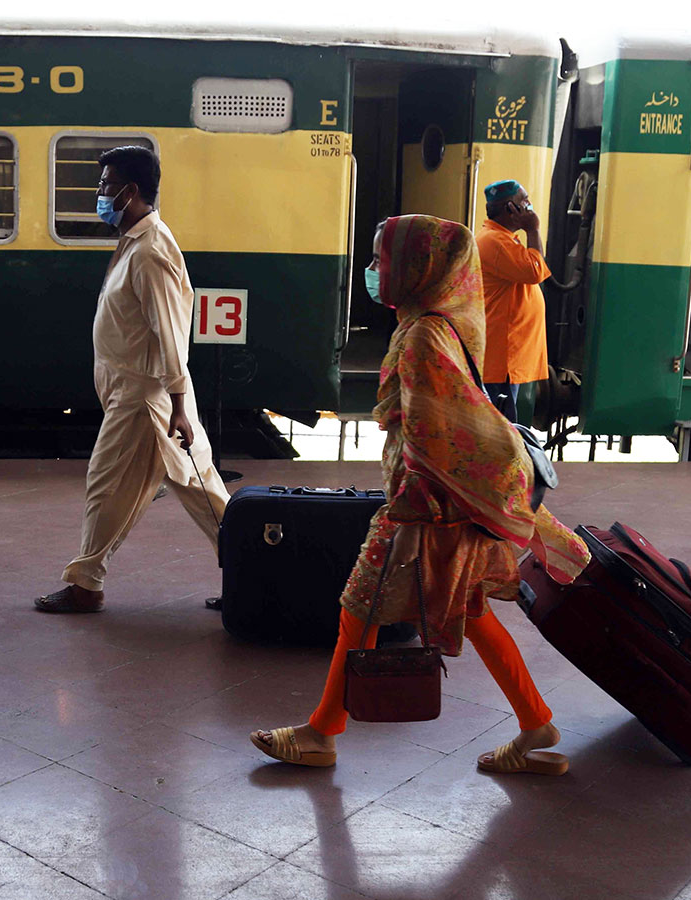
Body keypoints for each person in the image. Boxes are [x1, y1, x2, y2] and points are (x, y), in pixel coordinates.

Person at [249, 215, 590, 775]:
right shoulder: (441, 321)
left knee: (359, 611)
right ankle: (534, 723)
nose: (373, 271)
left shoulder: (424, 336)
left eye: (382, 260)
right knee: (470, 610)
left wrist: (409, 501)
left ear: (416, 268)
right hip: (454, 506)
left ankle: (321, 733)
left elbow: (436, 433)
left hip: (429, 507)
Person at [34, 145, 229, 613]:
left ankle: (86, 583)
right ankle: (258, 572)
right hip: (145, 393)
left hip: (145, 398)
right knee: (206, 495)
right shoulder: (136, 241)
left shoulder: (151, 252)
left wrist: (178, 404)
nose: (99, 193)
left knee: (106, 485)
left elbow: (169, 332)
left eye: (105, 185)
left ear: (131, 190)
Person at [477, 180, 551, 425]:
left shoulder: (503, 239)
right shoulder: (495, 242)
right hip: (501, 357)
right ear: (511, 208)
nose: (529, 207)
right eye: (524, 201)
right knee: (500, 428)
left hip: (507, 355)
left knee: (504, 424)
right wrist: (533, 230)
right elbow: (535, 272)